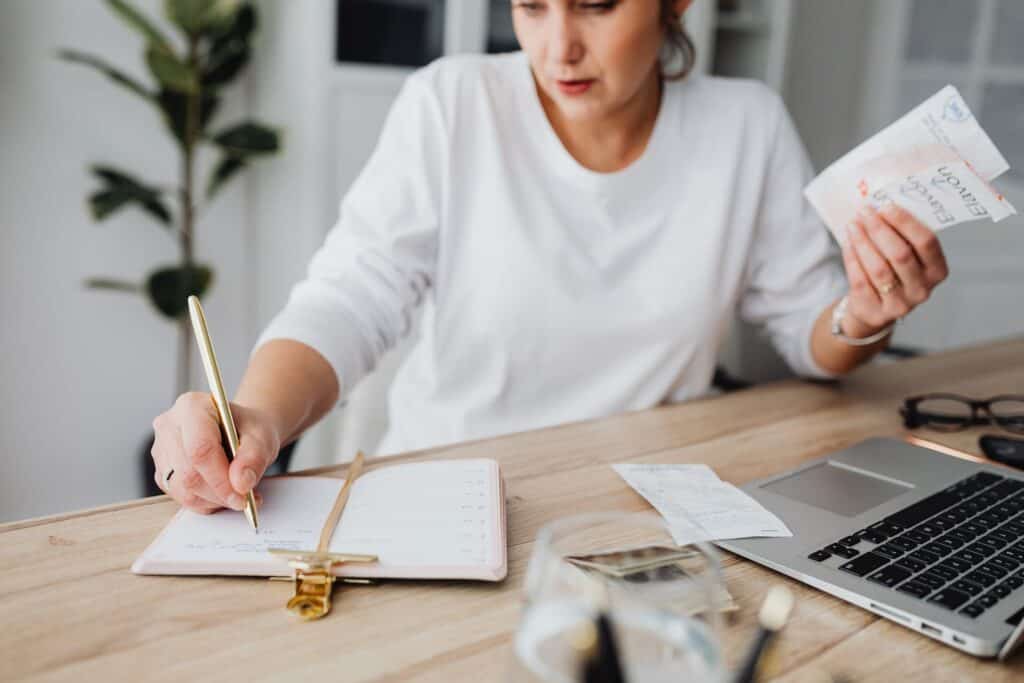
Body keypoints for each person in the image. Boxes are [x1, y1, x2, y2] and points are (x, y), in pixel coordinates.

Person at [150, 0, 949, 515]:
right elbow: (351, 298)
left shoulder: (747, 127)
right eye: (530, 6)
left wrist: (861, 313)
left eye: (596, 6)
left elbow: (814, 333)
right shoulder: (452, 103)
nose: (557, 46)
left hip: (649, 511)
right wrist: (254, 414)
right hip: (451, 503)